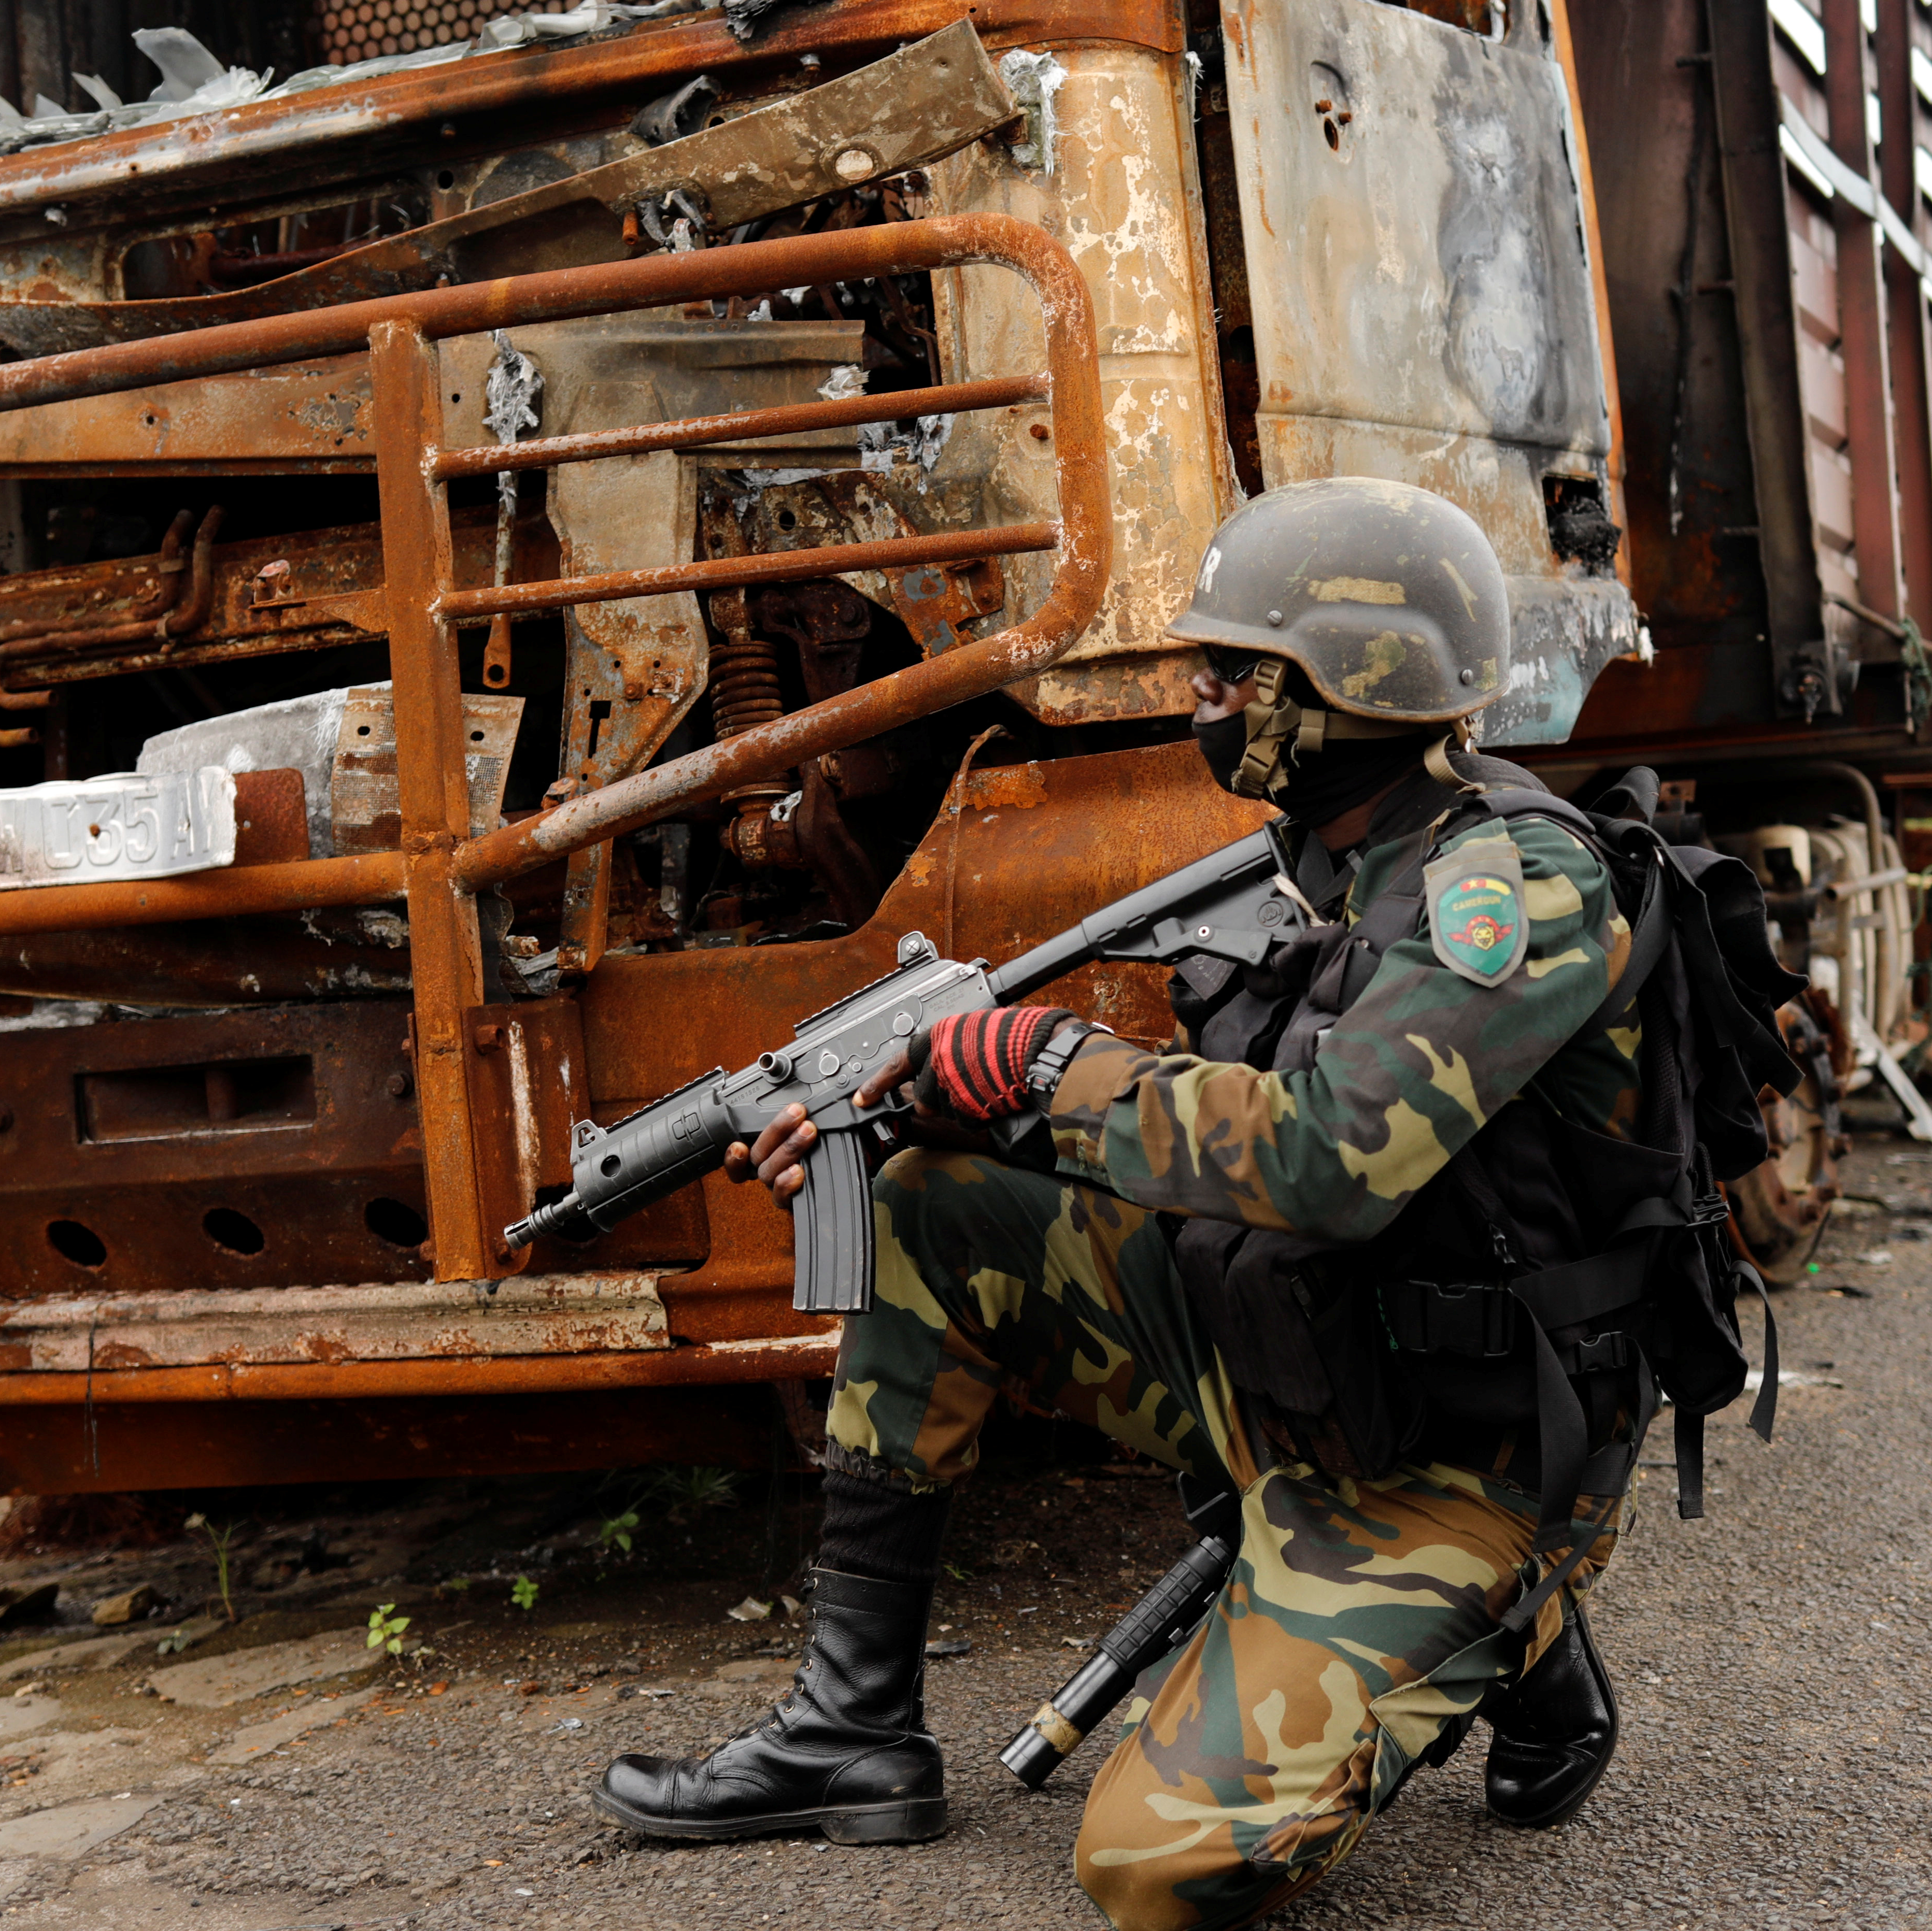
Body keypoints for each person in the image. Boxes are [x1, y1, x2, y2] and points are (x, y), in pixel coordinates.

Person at [592, 478, 1658, 1928]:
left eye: (1231, 670)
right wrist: (932, 1101)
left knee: (1153, 1868)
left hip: (1458, 1456)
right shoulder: (1332, 862)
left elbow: (1324, 1164)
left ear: (1343, 686)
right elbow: (1212, 1135)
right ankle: (850, 1732)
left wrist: (1044, 1062)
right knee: (932, 1203)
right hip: (1304, 1367)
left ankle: (1497, 1616)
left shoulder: (1511, 886)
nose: (1200, 695)